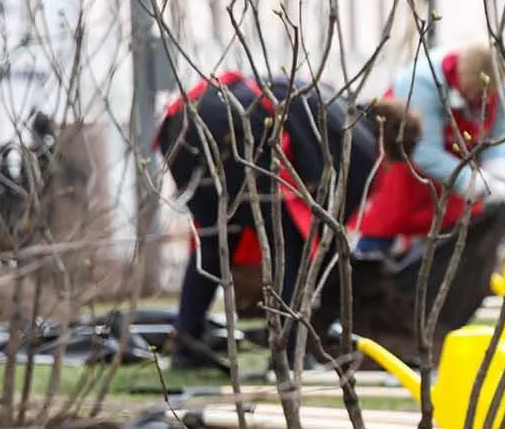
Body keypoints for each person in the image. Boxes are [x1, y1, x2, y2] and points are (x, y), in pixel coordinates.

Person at [154, 70, 416, 373]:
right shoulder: (362, 147)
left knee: (215, 239)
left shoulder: (335, 106)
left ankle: (187, 342)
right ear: (396, 148)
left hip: (185, 120)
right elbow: (325, 235)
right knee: (292, 246)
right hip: (235, 127)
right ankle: (289, 354)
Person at [348, 41, 505, 260]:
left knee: (453, 234)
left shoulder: (499, 85)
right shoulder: (423, 83)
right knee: (389, 219)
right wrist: (472, 181)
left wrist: (498, 176)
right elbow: (424, 152)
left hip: (455, 172)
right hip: (407, 163)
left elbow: (497, 134)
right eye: (471, 95)